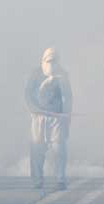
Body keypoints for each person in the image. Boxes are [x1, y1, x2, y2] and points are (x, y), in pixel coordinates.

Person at [24, 48, 72, 190]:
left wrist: (66, 115)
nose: (51, 64)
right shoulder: (35, 74)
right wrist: (33, 109)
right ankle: (37, 179)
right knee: (37, 148)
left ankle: (60, 179)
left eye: (54, 61)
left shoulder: (62, 74)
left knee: (59, 148)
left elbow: (67, 97)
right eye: (49, 61)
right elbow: (27, 94)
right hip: (39, 117)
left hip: (56, 118)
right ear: (43, 61)